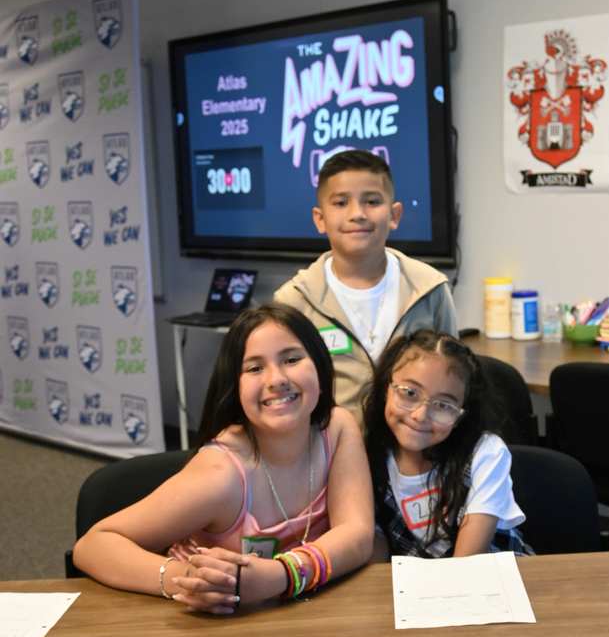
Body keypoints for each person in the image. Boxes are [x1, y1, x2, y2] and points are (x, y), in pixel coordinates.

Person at [73, 304, 374, 612]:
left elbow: (358, 534)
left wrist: (284, 575)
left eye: (292, 359)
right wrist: (189, 578)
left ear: (321, 370)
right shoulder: (221, 475)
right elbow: (93, 545)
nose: (277, 379)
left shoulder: (336, 428)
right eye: (255, 368)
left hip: (295, 618)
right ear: (235, 387)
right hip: (206, 629)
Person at [274, 149, 458, 423]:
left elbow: (454, 379)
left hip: (418, 453)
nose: (357, 213)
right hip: (330, 457)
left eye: (372, 201)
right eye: (340, 203)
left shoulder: (430, 289)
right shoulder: (294, 301)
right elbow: (286, 395)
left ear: (394, 215)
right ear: (320, 219)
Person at [363, 329, 530, 558]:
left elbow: (466, 562)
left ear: (462, 415)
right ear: (386, 389)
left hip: (491, 581)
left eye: (443, 405)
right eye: (409, 393)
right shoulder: (368, 455)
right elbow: (375, 552)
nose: (420, 415)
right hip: (414, 587)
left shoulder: (485, 454)